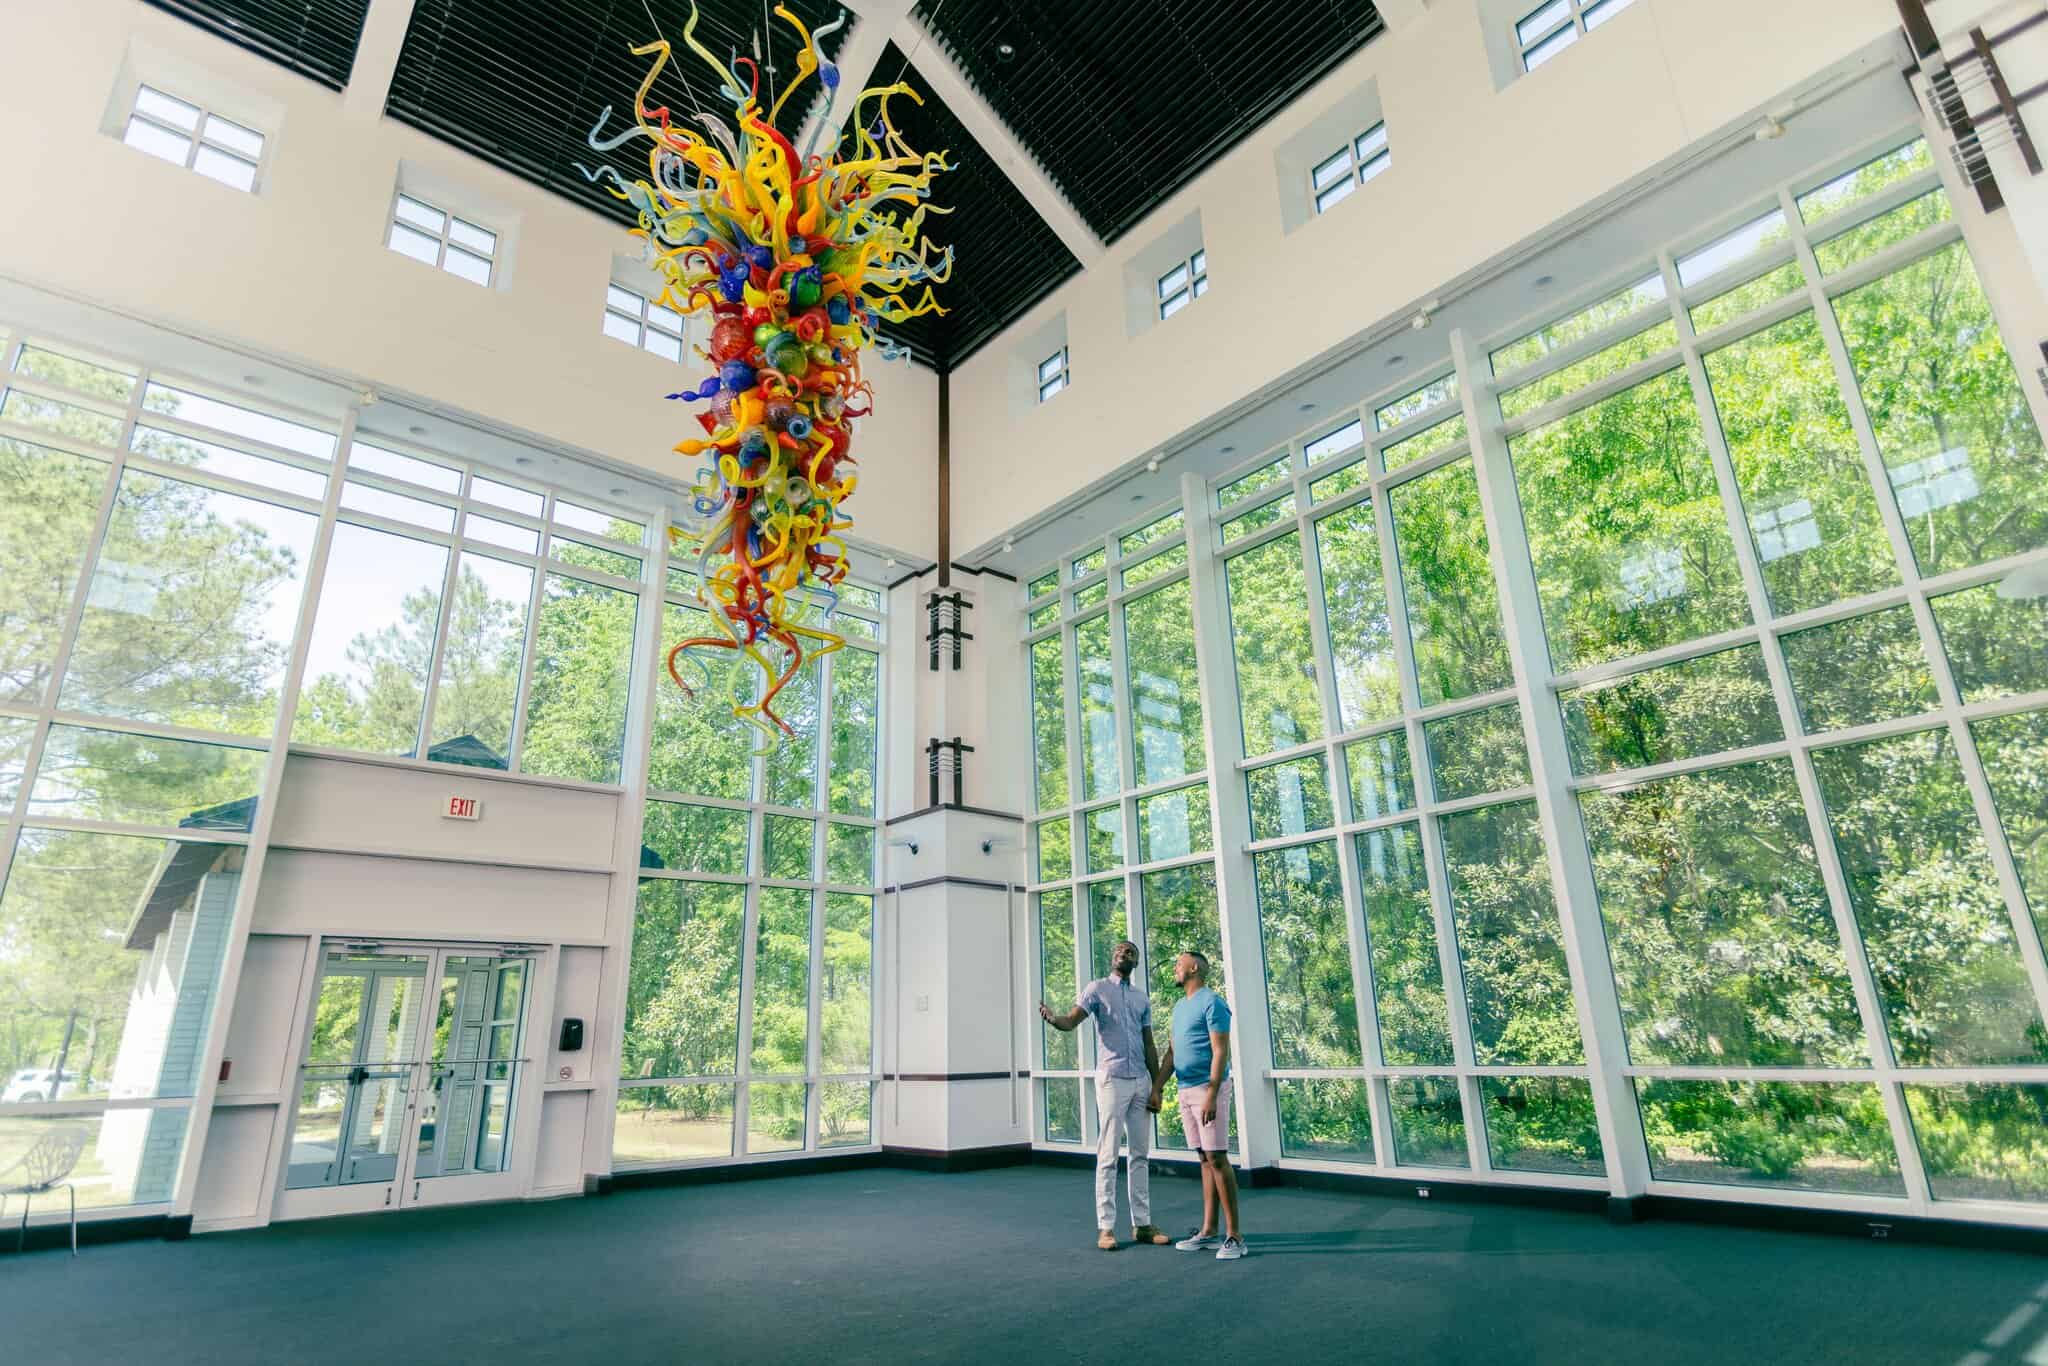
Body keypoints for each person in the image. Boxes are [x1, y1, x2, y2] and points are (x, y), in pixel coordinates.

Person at [1039, 938, 1170, 1250]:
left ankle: (1142, 1225)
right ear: (1113, 957)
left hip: (1140, 1080)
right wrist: (1055, 1019)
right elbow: (1071, 1020)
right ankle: (1106, 1228)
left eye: (1130, 952)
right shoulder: (1097, 989)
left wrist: (1156, 1087)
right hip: (1111, 1080)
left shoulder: (1141, 998)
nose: (1123, 953)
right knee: (1108, 1154)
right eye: (1119, 949)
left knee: (1140, 1155)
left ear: (1136, 962)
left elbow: (1149, 1043)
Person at [1152, 951, 1245, 1261]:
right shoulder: (1180, 1008)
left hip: (1209, 1088)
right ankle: (1209, 1231)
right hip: (1185, 1088)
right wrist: (1158, 1086)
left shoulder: (1213, 1002)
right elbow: (1171, 1054)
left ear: (1193, 968)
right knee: (1204, 1159)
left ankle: (1235, 1236)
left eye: (1179, 964)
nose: (1176, 968)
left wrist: (1212, 1092)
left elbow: (1220, 1051)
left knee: (1218, 1158)